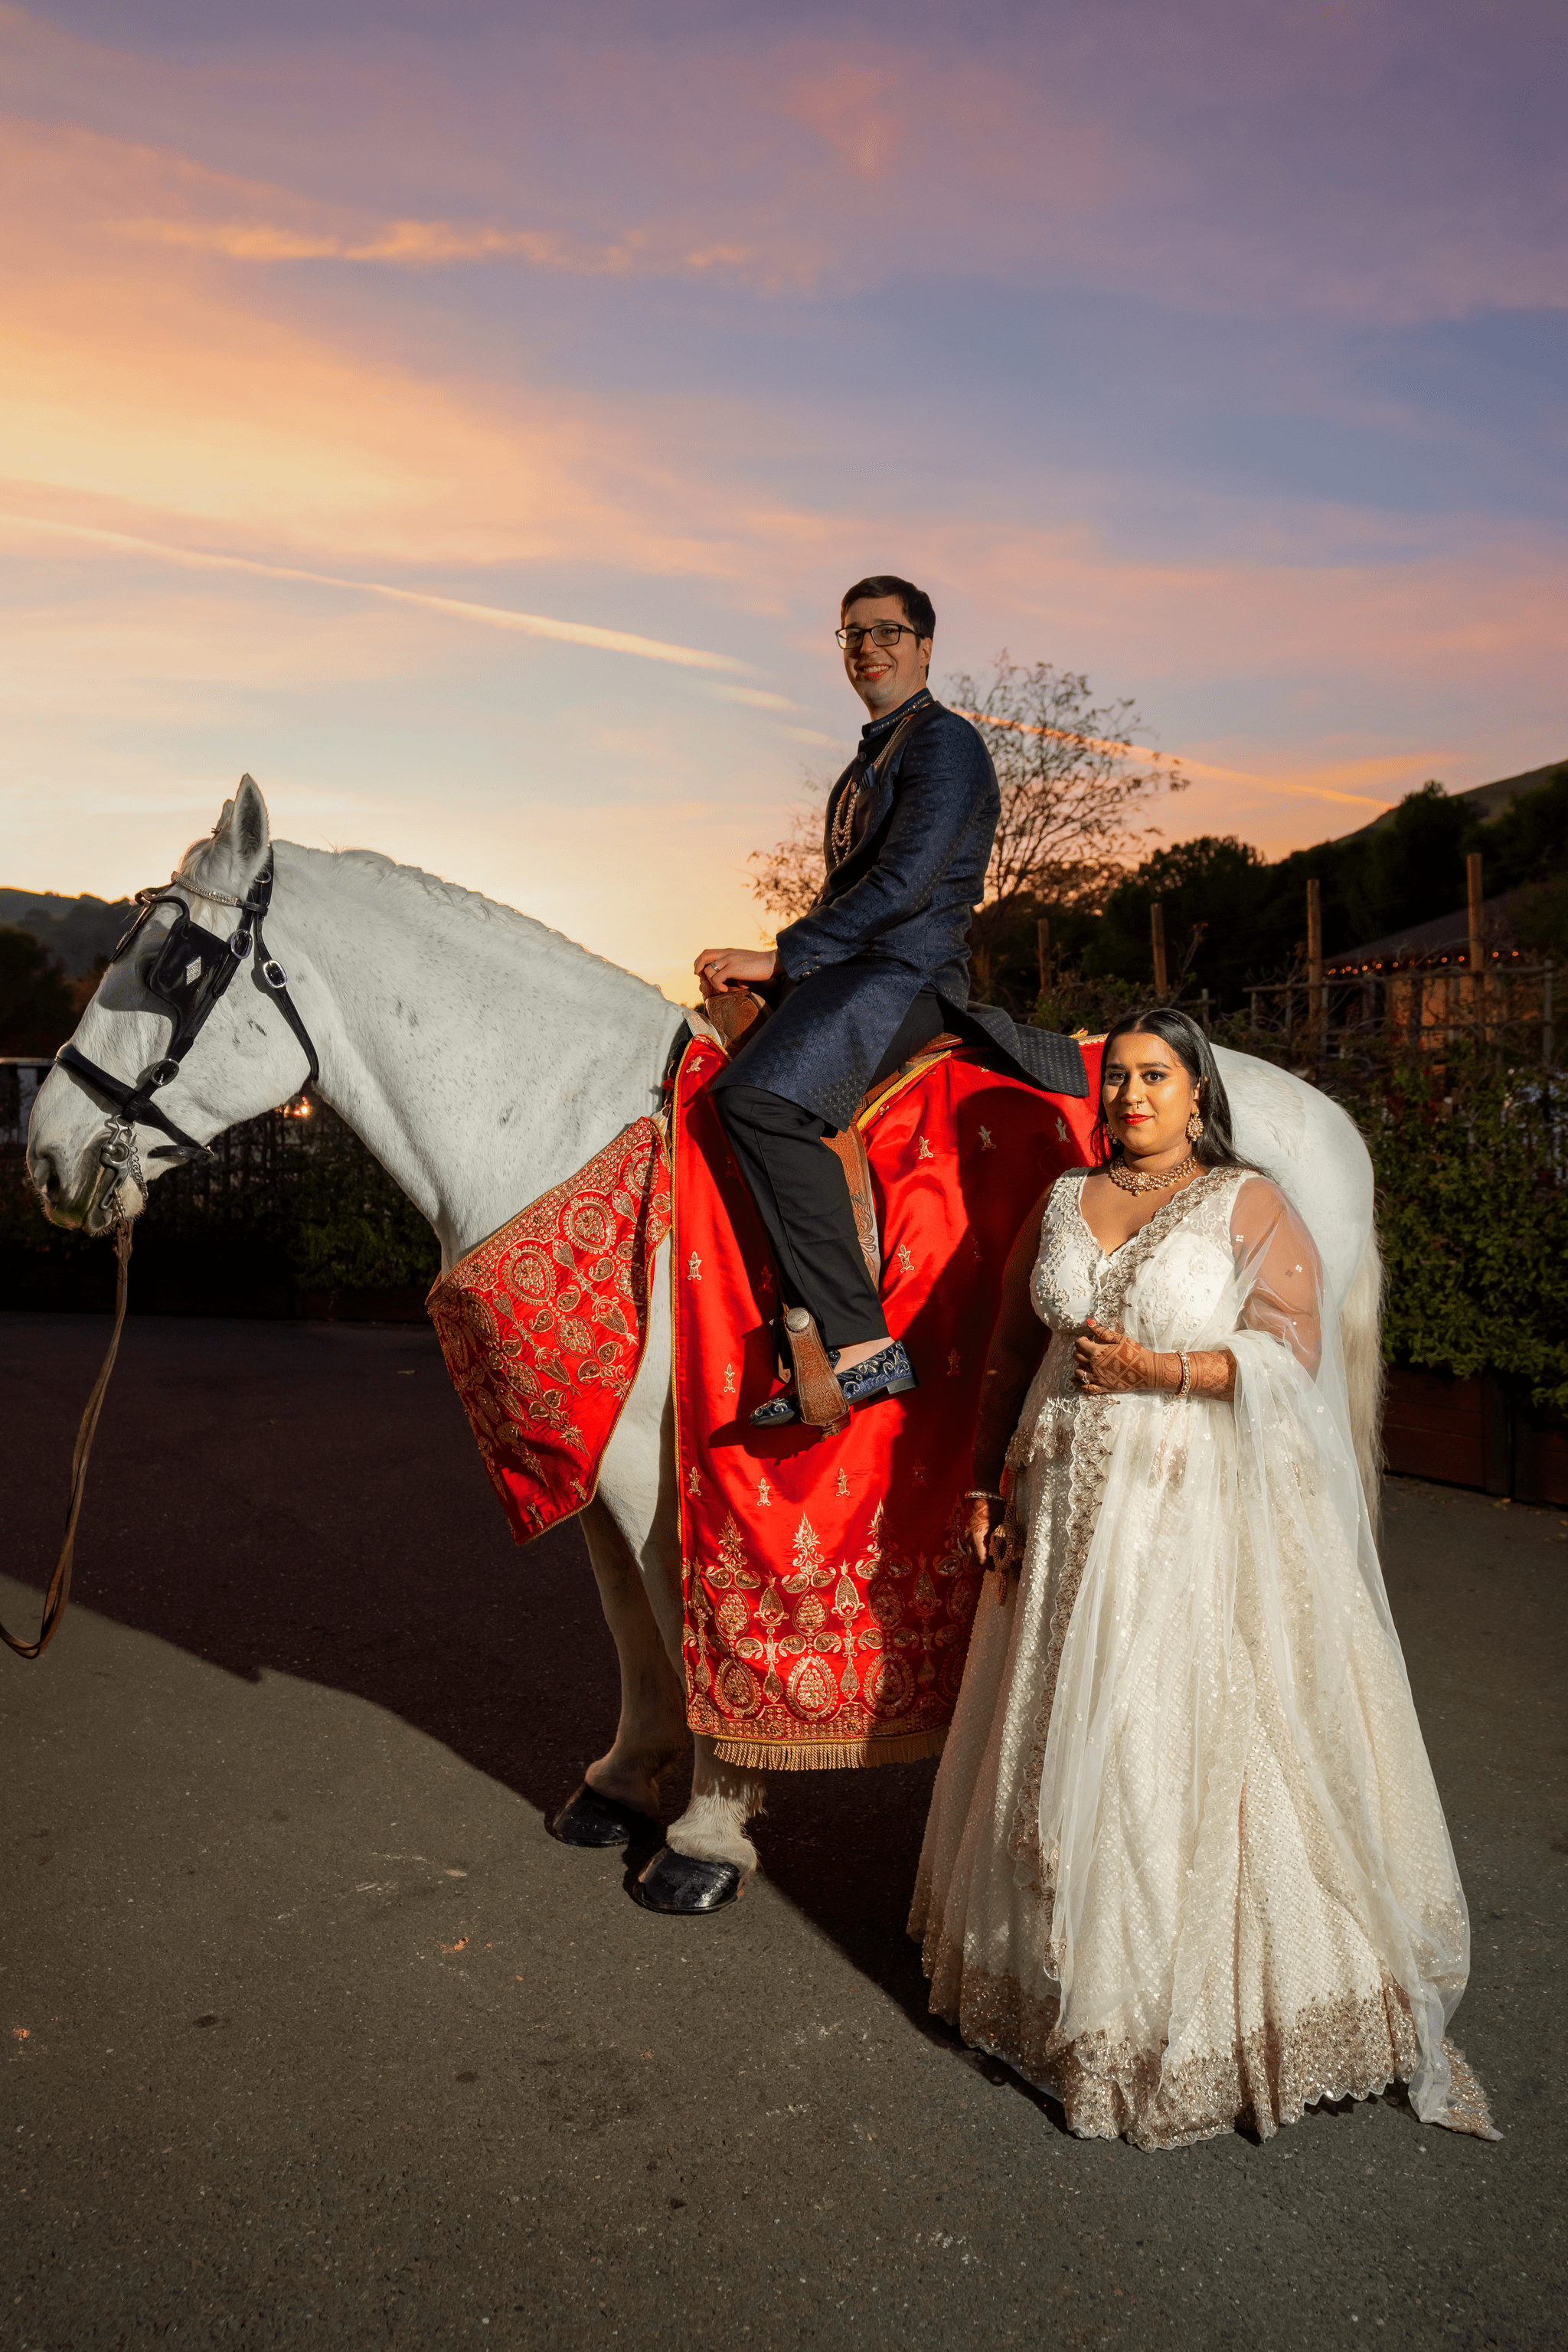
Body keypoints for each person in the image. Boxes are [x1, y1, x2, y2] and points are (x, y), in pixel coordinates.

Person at [910, 1005, 1496, 2149]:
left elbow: (1294, 1356)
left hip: (1184, 1518)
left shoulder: (1248, 1201)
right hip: (1072, 1513)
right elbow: (1012, 1357)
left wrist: (1160, 1369)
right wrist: (990, 1487)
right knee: (1055, 1736)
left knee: (1163, 1740)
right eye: (1120, 1077)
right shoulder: (1064, 1202)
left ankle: (1184, 2008)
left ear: (1196, 1092)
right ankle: (1061, 1979)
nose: (1132, 1096)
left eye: (1157, 1077)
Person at [693, 574, 1083, 1428]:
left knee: (756, 1098)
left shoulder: (943, 744)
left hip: (903, 975)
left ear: (924, 645)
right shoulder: (865, 761)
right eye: (850, 636)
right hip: (853, 971)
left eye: (885, 632)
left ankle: (863, 1349)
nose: (866, 647)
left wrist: (780, 956)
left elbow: (904, 886)